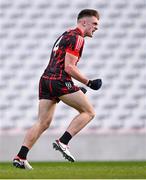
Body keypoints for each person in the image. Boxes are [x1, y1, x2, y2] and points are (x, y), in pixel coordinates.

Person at [13, 9, 102, 169]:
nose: (96, 27)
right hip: (59, 80)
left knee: (43, 122)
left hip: (46, 79)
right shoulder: (78, 38)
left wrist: (74, 88)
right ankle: (63, 141)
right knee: (89, 112)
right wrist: (89, 83)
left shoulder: (66, 34)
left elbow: (60, 63)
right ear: (84, 22)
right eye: (94, 24)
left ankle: (21, 156)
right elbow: (68, 67)